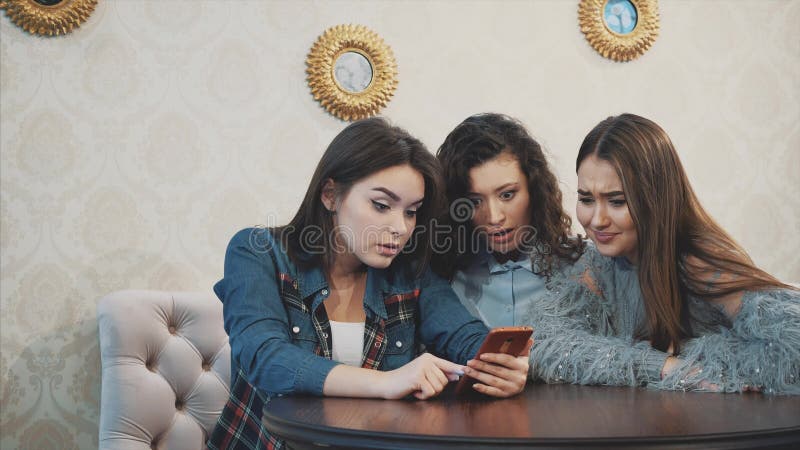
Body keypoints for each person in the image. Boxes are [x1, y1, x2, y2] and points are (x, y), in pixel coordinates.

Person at [208, 118, 531, 449]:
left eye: (411, 211)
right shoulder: (258, 252)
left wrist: (501, 366)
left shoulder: (409, 273)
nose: (399, 228)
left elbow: (462, 334)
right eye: (381, 205)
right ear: (331, 195)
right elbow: (264, 357)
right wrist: (386, 382)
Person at [524, 113, 799, 394]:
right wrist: (663, 366)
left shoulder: (700, 264)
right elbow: (543, 343)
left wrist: (702, 360)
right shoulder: (596, 265)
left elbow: (794, 343)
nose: (597, 220)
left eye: (617, 201)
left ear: (656, 198)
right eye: (586, 199)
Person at [433, 112, 584, 332]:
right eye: (475, 201)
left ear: (534, 190)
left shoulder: (582, 268)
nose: (494, 217)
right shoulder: (443, 275)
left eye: (507, 195)